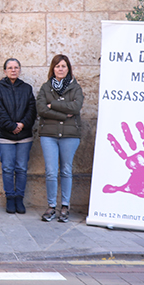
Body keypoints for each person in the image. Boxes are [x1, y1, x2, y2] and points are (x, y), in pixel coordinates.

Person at [37, 54, 84, 223]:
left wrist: (53, 105)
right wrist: (64, 114)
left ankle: (65, 206)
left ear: (68, 68)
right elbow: (41, 109)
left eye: (64, 66)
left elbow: (76, 106)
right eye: (57, 66)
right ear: (53, 69)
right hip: (48, 135)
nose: (61, 69)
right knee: (50, 172)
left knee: (65, 170)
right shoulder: (45, 87)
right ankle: (51, 206)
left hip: (70, 136)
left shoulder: (75, 87)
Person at [0, 58, 36, 215]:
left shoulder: (26, 88)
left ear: (20, 70)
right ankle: (10, 198)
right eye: (10, 68)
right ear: (4, 71)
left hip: (24, 137)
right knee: (8, 168)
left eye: (16, 67)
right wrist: (12, 126)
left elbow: (32, 110)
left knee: (22, 168)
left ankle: (19, 198)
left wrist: (22, 124)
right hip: (5, 137)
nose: (13, 70)